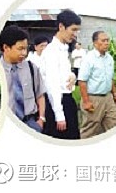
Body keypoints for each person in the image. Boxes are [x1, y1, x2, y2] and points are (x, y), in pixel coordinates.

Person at [0, 25, 47, 132]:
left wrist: (41, 119)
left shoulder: (31, 68)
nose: (24, 53)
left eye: (26, 48)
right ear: (6, 48)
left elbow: (40, 95)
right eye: (20, 49)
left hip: (30, 122)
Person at [42, 9, 81, 139]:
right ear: (61, 26)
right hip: (58, 103)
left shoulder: (63, 49)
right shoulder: (51, 51)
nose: (75, 34)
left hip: (67, 100)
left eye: (77, 30)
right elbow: (52, 85)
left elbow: (64, 74)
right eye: (73, 30)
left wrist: (72, 76)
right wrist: (59, 115)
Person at [78, 31, 116, 138]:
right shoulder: (89, 59)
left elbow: (110, 78)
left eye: (107, 40)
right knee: (90, 129)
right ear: (95, 43)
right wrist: (86, 101)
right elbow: (82, 81)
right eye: (103, 40)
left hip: (108, 98)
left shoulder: (109, 58)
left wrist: (115, 94)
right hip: (93, 98)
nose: (107, 43)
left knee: (114, 125)